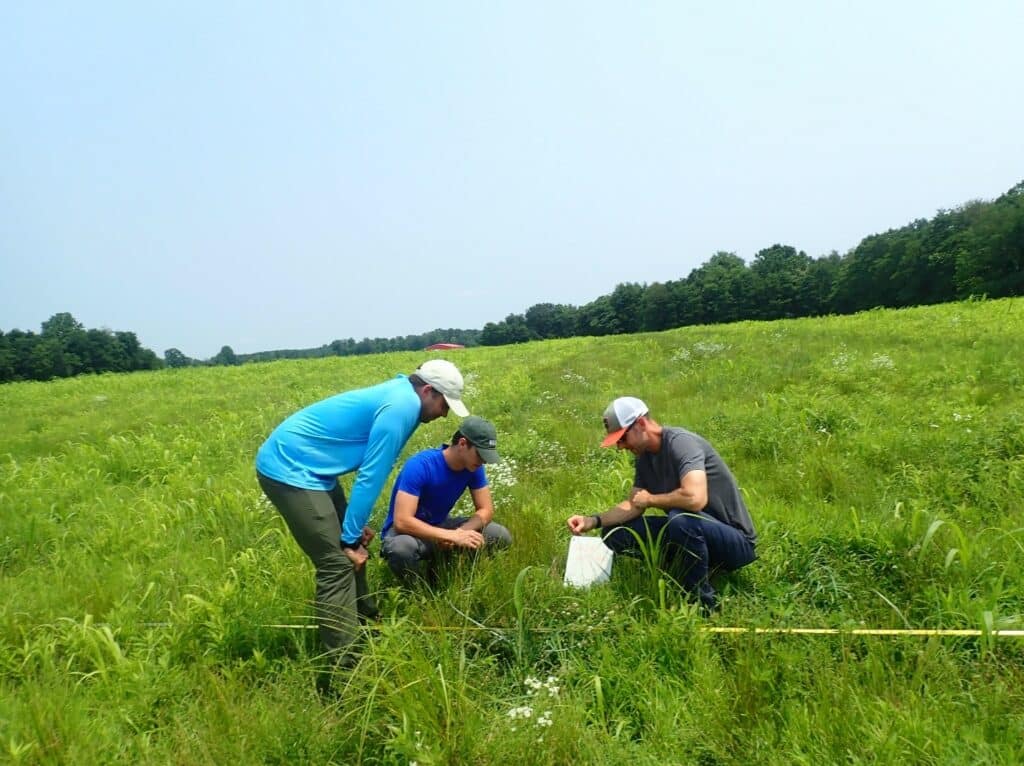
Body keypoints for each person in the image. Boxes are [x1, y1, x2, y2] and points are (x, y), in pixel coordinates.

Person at [255, 359, 470, 692]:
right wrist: (349, 537)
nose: (444, 414)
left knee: (354, 549)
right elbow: (371, 475)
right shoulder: (402, 406)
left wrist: (353, 532)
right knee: (337, 564)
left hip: (317, 471)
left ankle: (369, 629)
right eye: (444, 404)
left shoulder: (404, 397)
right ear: (427, 390)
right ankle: (344, 678)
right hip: (290, 467)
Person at [566, 396, 756, 613]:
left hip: (735, 542)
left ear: (640, 424)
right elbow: (634, 505)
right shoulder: (644, 458)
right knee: (614, 533)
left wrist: (651, 499)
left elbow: (695, 498)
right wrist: (593, 520)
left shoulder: (681, 443)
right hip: (695, 532)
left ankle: (702, 605)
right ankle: (682, 570)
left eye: (622, 439)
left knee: (680, 518)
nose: (620, 447)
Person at [381, 416, 512, 582]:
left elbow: (486, 510)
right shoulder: (420, 466)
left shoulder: (473, 467)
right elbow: (402, 521)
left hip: (442, 525)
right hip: (408, 532)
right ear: (463, 444)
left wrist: (460, 533)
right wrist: (448, 536)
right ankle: (419, 594)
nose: (483, 462)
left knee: (499, 534)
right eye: (480, 455)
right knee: (402, 549)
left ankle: (453, 574)